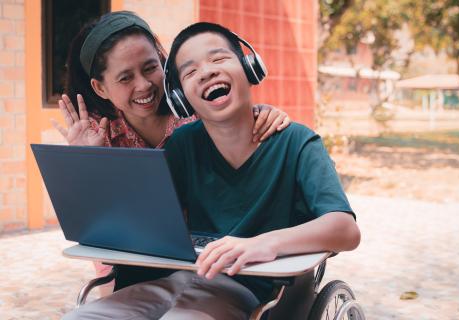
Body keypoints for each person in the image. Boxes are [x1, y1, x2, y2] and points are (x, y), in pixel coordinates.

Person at [63, 22, 361, 320]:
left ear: (249, 68)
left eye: (219, 59)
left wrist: (264, 244)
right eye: (191, 72)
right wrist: (87, 162)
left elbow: (346, 230)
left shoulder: (296, 141)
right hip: (175, 279)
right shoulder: (183, 144)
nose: (207, 72)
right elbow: (131, 221)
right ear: (181, 97)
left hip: (247, 289)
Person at [53, 11, 290, 296]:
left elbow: (235, 116)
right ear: (100, 88)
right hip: (137, 259)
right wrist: (85, 164)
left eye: (150, 67)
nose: (143, 85)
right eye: (125, 77)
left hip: (212, 259)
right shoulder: (97, 135)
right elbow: (96, 227)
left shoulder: (196, 111)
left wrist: (260, 114)